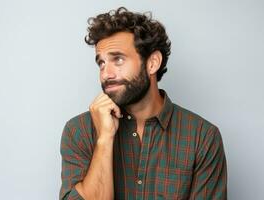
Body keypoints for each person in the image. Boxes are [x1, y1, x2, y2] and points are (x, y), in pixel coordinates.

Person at [60, 7, 227, 200]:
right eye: (101, 63)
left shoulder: (202, 137)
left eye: (118, 59)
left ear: (152, 63)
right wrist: (104, 140)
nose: (106, 74)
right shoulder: (79, 131)